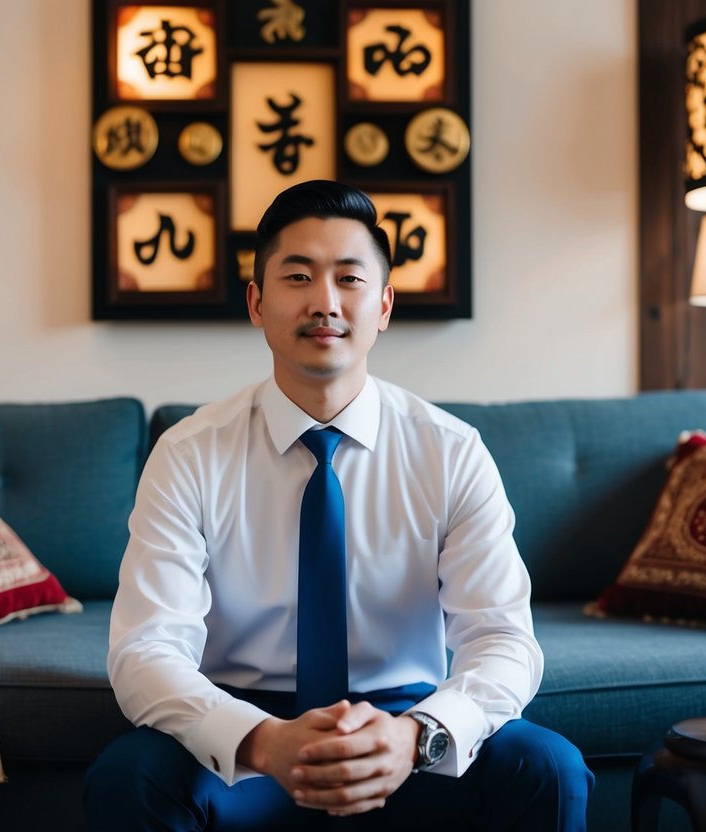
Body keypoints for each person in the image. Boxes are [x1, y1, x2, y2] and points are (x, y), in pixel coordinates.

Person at [85, 180, 592, 830]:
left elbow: (501, 638)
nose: (323, 302)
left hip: (405, 725)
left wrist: (417, 737)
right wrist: (265, 742)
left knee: (547, 768)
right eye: (297, 276)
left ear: (382, 305)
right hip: (247, 733)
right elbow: (145, 650)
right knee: (129, 778)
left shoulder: (450, 451)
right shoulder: (189, 453)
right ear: (256, 302)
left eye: (348, 279)